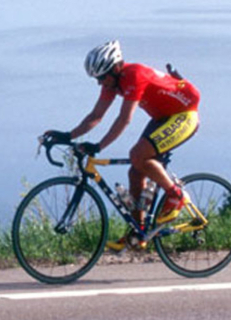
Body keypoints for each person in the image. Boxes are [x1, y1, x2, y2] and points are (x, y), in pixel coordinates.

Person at [66, 40, 201, 251]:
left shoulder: (134, 75)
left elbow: (124, 119)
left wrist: (99, 146)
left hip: (183, 116)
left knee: (138, 154)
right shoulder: (114, 82)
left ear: (116, 68)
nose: (100, 83)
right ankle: (139, 233)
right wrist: (68, 135)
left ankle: (176, 196)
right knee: (135, 172)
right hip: (163, 118)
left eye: (101, 77)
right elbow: (96, 116)